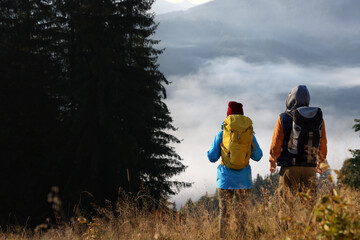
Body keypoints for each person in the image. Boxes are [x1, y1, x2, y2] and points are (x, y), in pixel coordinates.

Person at [207, 101, 263, 239]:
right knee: (241, 214)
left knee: (224, 214)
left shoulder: (222, 133)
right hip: (244, 181)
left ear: (228, 115)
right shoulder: (249, 133)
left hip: (225, 180)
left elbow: (212, 157)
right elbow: (258, 156)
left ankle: (223, 237)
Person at [269, 85, 327, 209]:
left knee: (286, 206)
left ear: (290, 99)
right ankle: (309, 228)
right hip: (310, 167)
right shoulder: (318, 118)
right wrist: (320, 162)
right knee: (309, 206)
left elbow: (276, 144)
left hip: (290, 167)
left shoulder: (283, 117)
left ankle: (286, 229)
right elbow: (322, 142)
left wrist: (272, 161)